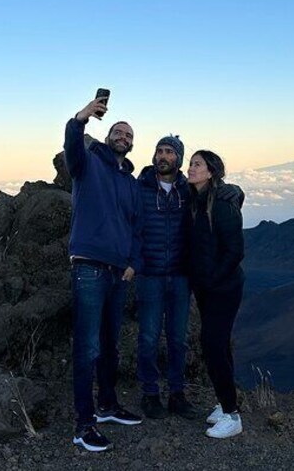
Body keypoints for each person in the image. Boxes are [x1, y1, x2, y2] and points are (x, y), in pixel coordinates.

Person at [64, 95, 143, 452]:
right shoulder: (87, 162)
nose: (123, 137)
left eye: (128, 135)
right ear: (107, 136)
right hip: (89, 268)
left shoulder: (130, 181)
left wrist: (132, 263)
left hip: (117, 273)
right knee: (88, 347)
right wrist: (80, 117)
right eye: (118, 132)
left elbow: (136, 226)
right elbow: (71, 142)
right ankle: (84, 424)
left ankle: (109, 405)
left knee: (110, 344)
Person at [135, 135, 198, 420]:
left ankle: (177, 395)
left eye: (169, 152)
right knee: (148, 338)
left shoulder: (189, 190)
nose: (162, 155)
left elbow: (218, 190)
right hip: (150, 274)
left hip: (180, 275)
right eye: (159, 151)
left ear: (179, 159)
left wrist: (235, 192)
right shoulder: (141, 188)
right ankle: (150, 395)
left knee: (177, 339)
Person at [186, 150, 246, 439]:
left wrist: (212, 280)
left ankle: (232, 416)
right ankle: (225, 404)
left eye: (197, 164)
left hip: (224, 288)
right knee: (218, 345)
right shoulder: (194, 199)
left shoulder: (222, 204)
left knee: (212, 344)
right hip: (206, 288)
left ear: (211, 172)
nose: (191, 168)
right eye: (191, 164)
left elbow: (235, 250)